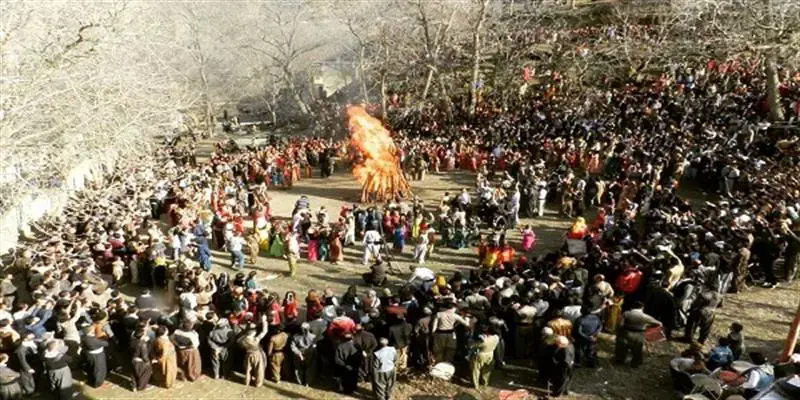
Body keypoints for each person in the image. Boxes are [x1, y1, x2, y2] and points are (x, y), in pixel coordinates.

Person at [615, 301, 662, 367]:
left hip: (626, 332)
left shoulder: (627, 313)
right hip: (639, 334)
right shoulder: (645, 316)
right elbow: (659, 323)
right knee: (637, 351)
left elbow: (620, 324)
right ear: (642, 308)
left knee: (622, 348)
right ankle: (635, 364)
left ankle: (620, 361)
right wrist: (648, 327)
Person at [240, 316, 268, 387]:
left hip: (248, 355)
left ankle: (247, 382)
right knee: (259, 370)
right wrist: (264, 322)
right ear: (253, 332)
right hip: (257, 355)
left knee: (248, 370)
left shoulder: (243, 340)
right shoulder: (256, 339)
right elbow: (264, 332)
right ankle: (258, 383)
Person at [470, 325, 500, 390]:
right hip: (490, 354)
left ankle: (476, 385)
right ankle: (485, 383)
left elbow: (474, 346)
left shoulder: (485, 341)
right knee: (487, 370)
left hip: (481, 354)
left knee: (476, 369)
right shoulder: (496, 337)